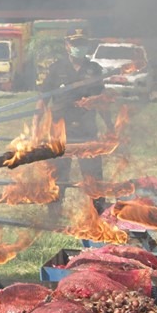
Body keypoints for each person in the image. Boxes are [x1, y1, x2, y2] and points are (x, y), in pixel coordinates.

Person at [40, 33, 107, 212]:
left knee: (93, 175)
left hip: (87, 130)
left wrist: (111, 127)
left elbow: (102, 100)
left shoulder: (94, 69)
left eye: (83, 43)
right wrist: (36, 125)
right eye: (76, 43)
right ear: (67, 45)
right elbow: (43, 98)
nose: (79, 47)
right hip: (61, 130)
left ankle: (99, 214)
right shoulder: (56, 69)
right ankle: (54, 213)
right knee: (58, 174)